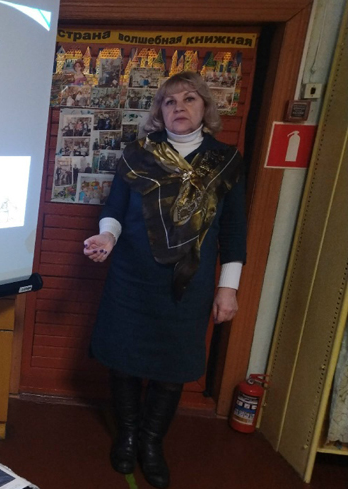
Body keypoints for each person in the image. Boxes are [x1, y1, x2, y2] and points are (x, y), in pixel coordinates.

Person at [82, 72, 246, 489]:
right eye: (170, 101)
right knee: (123, 361)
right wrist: (107, 237)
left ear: (205, 107)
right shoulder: (137, 155)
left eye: (189, 99)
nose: (179, 107)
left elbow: (234, 230)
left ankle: (151, 443)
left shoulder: (226, 161)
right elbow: (115, 211)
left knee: (172, 369)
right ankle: (128, 435)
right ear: (160, 112)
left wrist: (228, 288)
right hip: (131, 278)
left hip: (187, 284)